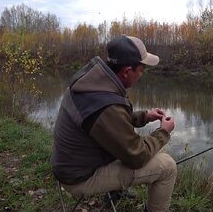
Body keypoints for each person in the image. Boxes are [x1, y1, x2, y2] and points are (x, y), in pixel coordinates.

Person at [51, 35, 176, 212]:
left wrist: (145, 116)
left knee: (132, 144)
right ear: (126, 71)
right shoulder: (105, 103)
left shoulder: (93, 82)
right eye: (141, 70)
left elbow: (109, 123)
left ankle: (116, 193)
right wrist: (164, 132)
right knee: (168, 167)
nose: (142, 75)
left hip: (69, 163)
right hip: (79, 177)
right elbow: (137, 156)